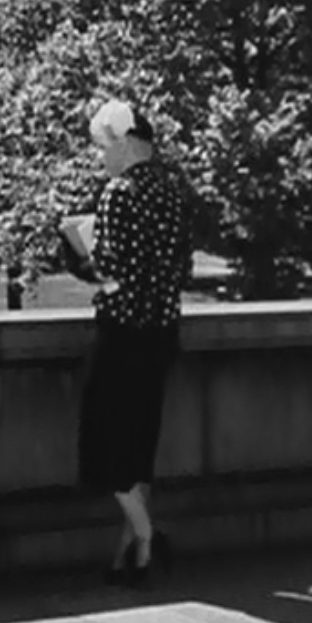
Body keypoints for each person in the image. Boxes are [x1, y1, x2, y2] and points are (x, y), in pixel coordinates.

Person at [74, 99, 191, 587]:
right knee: (140, 442)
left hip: (122, 333)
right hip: (162, 333)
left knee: (103, 446)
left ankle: (146, 537)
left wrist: (80, 256)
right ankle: (131, 554)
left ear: (125, 143)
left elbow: (111, 269)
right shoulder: (175, 190)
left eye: (103, 146)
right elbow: (179, 268)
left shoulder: (118, 194)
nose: (100, 157)